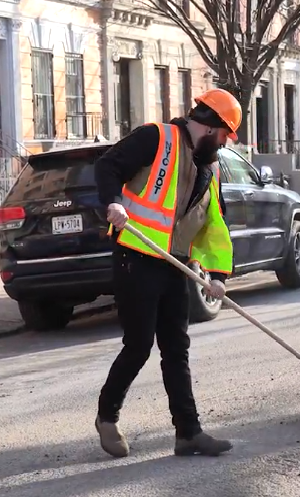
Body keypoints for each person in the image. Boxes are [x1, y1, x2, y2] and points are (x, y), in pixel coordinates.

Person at [94, 88, 243, 458]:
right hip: (136, 256)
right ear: (211, 126)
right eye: (224, 135)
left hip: (174, 265)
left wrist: (219, 275)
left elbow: (214, 225)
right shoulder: (155, 138)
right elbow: (107, 166)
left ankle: (188, 433)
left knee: (176, 349)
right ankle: (107, 416)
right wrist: (113, 201)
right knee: (139, 345)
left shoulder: (210, 169)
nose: (224, 144)